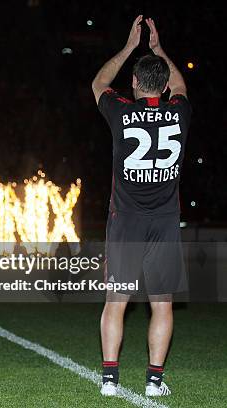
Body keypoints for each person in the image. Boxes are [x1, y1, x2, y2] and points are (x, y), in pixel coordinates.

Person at [91, 15, 192, 397]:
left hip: (126, 222)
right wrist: (159, 49)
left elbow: (99, 82)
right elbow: (181, 84)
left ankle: (110, 381)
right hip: (164, 222)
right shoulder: (179, 111)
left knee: (115, 302)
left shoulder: (119, 111)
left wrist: (130, 47)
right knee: (161, 305)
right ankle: (153, 382)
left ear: (133, 83)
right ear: (164, 87)